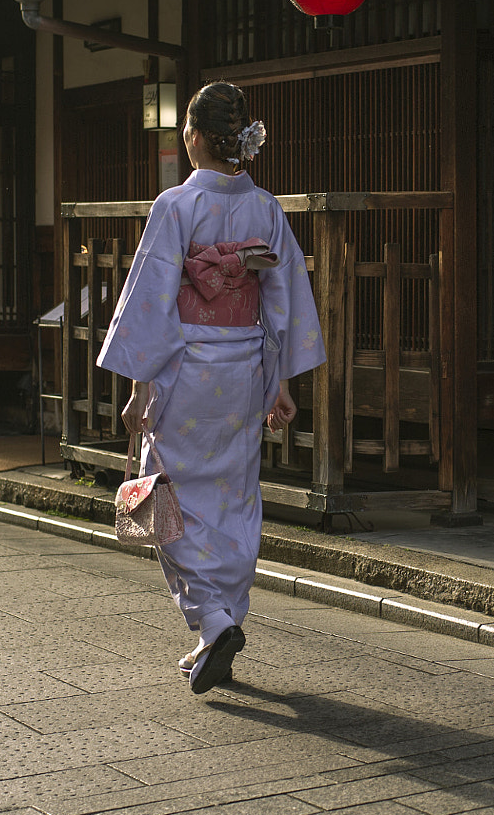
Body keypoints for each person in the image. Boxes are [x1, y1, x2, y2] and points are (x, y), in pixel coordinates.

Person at [96, 81, 325, 694]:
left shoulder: (176, 205)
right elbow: (281, 302)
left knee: (162, 494)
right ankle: (214, 631)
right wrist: (279, 383)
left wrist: (142, 386)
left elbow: (152, 304)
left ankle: (213, 620)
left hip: (187, 369)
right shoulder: (266, 209)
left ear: (194, 137)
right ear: (241, 141)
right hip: (245, 370)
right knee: (233, 497)